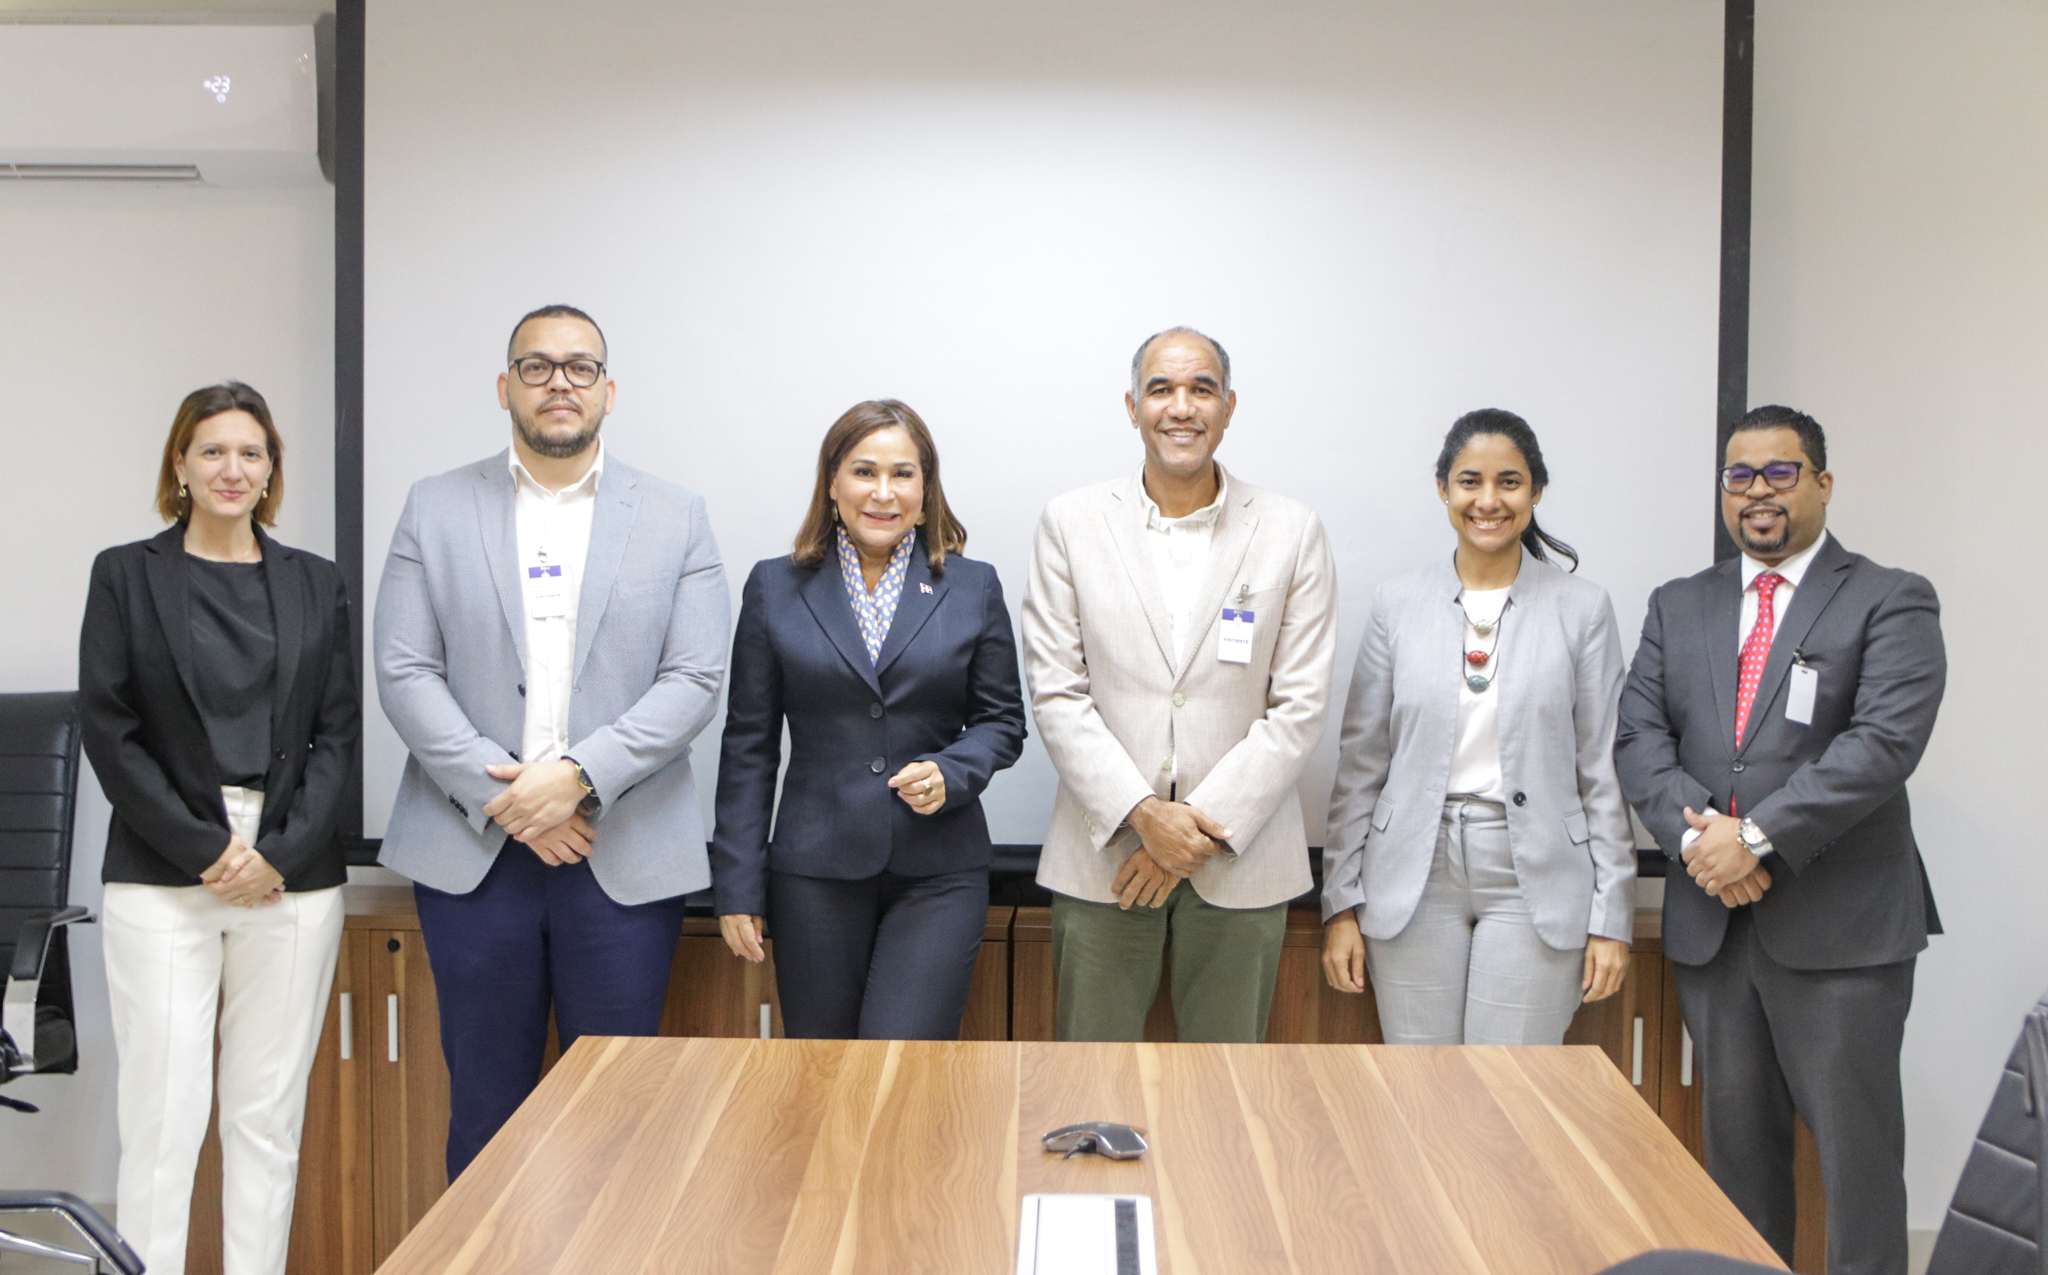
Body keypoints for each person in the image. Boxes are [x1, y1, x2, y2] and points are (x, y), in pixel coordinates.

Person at [374, 304, 728, 1177]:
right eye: (536, 367)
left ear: (609, 389)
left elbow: (694, 678)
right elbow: (404, 669)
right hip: (474, 853)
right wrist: (512, 800)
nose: (558, 382)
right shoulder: (434, 505)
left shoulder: (677, 515)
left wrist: (575, 777)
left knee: (615, 1118)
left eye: (579, 367)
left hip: (620, 851)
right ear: (505, 388)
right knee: (485, 1114)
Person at [1615, 405, 1945, 1275]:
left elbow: (1883, 744)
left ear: (1822, 483)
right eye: (1740, 474)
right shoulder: (1679, 603)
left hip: (1842, 932)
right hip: (1716, 929)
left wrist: (1755, 838)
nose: (1757, 491)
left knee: (1856, 1167)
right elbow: (1639, 738)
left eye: (1780, 471)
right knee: (1738, 1166)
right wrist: (1704, 845)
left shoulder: (1889, 596)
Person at [80, 382, 357, 1275]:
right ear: (180, 464)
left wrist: (275, 854)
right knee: (162, 1116)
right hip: (166, 868)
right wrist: (208, 851)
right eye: (212, 451)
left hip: (290, 873)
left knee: (266, 1116)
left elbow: (337, 734)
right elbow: (110, 729)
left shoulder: (316, 580)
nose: (232, 468)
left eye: (251, 452)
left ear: (271, 469)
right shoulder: (126, 574)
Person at [1021, 327, 1337, 1043]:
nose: (1182, 407)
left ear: (1229, 406)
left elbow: (1299, 706)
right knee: (1091, 1082)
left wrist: (1190, 829)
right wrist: (1144, 816)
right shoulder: (1070, 523)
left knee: (1228, 1090)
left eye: (1201, 389)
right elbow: (1058, 692)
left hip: (1242, 860)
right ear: (1133, 407)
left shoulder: (1291, 529)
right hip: (1104, 856)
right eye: (1161, 389)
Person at [710, 400, 1026, 1038]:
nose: (884, 492)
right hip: (813, 874)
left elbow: (1002, 722)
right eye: (864, 472)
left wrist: (953, 771)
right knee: (824, 1071)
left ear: (925, 488)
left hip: (938, 871)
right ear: (832, 483)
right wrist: (737, 884)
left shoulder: (973, 587)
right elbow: (749, 745)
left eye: (903, 474)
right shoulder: (774, 587)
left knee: (902, 1063)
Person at [1319, 410, 1634, 1044]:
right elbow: (1361, 765)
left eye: (1509, 482)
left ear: (1536, 491)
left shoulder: (1583, 609)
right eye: (1470, 481)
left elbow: (1601, 771)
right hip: (1412, 869)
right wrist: (1340, 904)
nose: (1488, 501)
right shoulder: (1396, 604)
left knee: (1508, 1087)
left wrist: (1612, 916)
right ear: (1443, 488)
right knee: (1421, 1085)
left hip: (1535, 872)